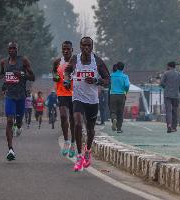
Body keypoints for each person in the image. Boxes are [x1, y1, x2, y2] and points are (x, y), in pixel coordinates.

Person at [64, 37, 110, 171]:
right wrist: (66, 80)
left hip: (92, 100)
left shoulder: (98, 62)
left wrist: (97, 80)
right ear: (80, 46)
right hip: (78, 98)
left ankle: (88, 151)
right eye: (84, 45)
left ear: (92, 46)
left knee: (90, 130)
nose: (86, 48)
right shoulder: (75, 59)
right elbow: (67, 71)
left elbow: (108, 79)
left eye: (89, 45)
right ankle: (79, 156)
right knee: (77, 124)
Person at [0, 41, 35, 161]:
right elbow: (2, 73)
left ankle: (19, 125)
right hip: (10, 96)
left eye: (14, 48)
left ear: (17, 49)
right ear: (8, 50)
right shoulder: (4, 62)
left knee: (18, 121)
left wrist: (21, 74)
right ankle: (10, 149)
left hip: (21, 96)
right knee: (9, 121)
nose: (12, 50)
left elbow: (33, 77)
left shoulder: (23, 61)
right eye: (10, 48)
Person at [53, 41, 76, 157]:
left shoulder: (77, 62)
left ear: (72, 49)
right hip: (62, 93)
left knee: (73, 119)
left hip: (75, 94)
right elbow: (54, 73)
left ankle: (73, 143)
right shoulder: (58, 62)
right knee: (63, 116)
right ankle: (66, 141)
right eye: (64, 49)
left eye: (68, 49)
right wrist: (56, 77)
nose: (66, 51)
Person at [160, 61, 180, 133]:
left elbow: (161, 83)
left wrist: (166, 87)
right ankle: (174, 127)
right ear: (175, 66)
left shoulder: (166, 73)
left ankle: (169, 125)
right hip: (176, 95)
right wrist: (178, 89)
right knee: (175, 111)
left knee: (168, 111)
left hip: (167, 95)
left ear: (168, 66)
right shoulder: (179, 74)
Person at [109, 62, 130, 133]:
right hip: (121, 95)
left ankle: (114, 119)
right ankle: (119, 128)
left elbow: (108, 85)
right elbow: (127, 85)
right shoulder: (125, 76)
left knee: (113, 111)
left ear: (116, 67)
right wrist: (125, 91)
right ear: (123, 68)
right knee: (120, 112)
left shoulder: (111, 76)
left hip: (113, 95)